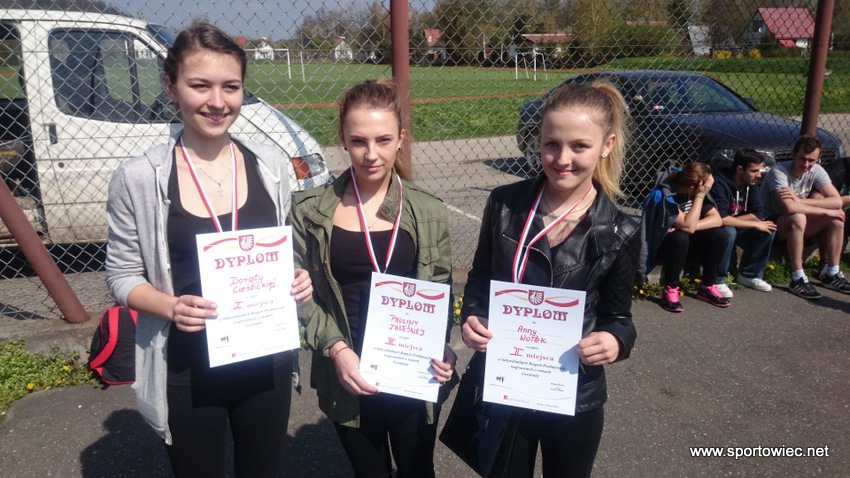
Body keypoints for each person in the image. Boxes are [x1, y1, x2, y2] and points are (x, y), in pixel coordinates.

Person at [105, 23, 312, 477]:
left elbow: (281, 251)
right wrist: (171, 306)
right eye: (200, 85)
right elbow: (120, 275)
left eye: (230, 87)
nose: (217, 102)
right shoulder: (139, 178)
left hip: (266, 359)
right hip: (186, 367)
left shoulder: (271, 164)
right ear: (171, 87)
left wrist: (297, 278)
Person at [460, 81, 639, 478]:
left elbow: (619, 317)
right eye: (551, 144)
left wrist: (615, 341)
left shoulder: (620, 230)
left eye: (580, 146)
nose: (562, 159)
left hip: (574, 392)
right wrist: (471, 316)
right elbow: (481, 278)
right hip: (507, 383)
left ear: (606, 145)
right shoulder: (504, 204)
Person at [291, 78, 456, 478]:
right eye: (358, 141)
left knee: (418, 470)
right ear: (343, 140)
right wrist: (336, 349)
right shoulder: (309, 211)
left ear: (400, 138)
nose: (370, 154)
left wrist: (443, 345)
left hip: (410, 366)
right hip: (347, 368)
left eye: (383, 140)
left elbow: (440, 289)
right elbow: (299, 296)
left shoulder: (427, 210)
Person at [760, 134, 850, 300]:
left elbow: (837, 200)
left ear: (818, 159)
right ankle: (797, 277)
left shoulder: (816, 170)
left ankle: (832, 273)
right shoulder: (778, 171)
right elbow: (790, 207)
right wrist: (825, 211)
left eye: (811, 160)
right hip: (770, 224)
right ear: (794, 155)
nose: (806, 164)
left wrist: (800, 200)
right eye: (802, 158)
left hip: (799, 222)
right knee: (799, 217)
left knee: (837, 218)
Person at [641, 162, 730, 312]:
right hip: (662, 244)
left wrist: (690, 225)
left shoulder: (693, 191)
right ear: (693, 187)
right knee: (679, 236)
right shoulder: (665, 194)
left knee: (719, 234)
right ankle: (670, 289)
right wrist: (699, 196)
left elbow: (717, 220)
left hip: (686, 241)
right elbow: (688, 227)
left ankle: (707, 286)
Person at [709, 149, 776, 295]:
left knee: (768, 228)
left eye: (760, 170)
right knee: (729, 231)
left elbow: (759, 213)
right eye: (754, 171)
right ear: (740, 169)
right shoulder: (719, 183)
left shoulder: (751, 183)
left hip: (734, 225)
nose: (759, 175)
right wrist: (752, 223)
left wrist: (734, 221)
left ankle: (749, 275)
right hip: (714, 231)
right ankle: (717, 280)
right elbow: (721, 219)